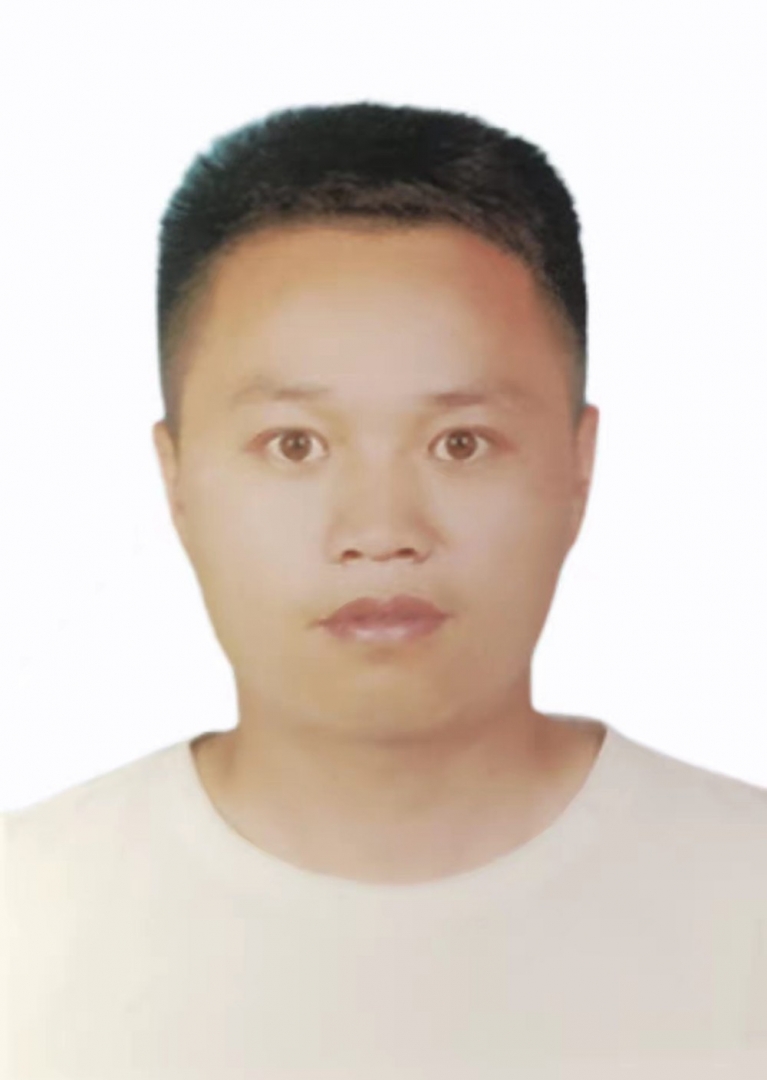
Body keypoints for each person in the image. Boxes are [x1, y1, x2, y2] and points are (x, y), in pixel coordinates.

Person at [3, 101, 766, 1079]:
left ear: (578, 467)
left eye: (460, 443)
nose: (379, 530)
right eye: (294, 445)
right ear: (176, 477)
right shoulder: (25, 919)